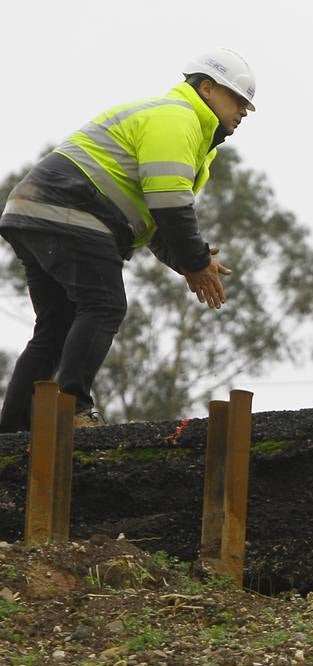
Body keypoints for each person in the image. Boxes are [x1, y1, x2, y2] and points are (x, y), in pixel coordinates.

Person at [0, 49, 257, 432]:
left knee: (56, 325)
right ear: (207, 88)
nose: (244, 112)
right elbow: (169, 203)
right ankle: (73, 409)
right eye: (239, 100)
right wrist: (196, 259)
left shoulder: (185, 131)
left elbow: (154, 219)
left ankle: (12, 433)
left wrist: (189, 261)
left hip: (35, 211)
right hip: (70, 210)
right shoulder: (178, 118)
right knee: (103, 306)